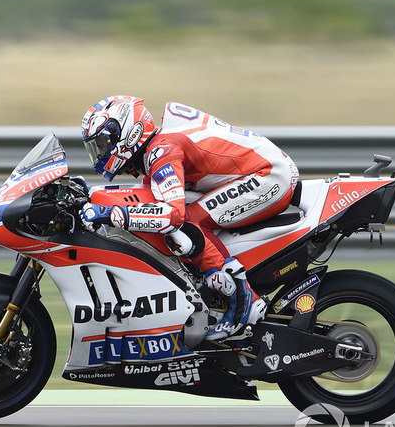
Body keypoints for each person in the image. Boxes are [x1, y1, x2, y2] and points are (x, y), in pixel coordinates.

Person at [79, 95, 299, 340]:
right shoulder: (156, 150)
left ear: (129, 133)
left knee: (187, 223)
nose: (100, 153)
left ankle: (243, 300)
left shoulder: (162, 150)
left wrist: (111, 214)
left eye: (102, 143)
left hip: (269, 175)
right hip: (263, 170)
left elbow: (172, 215)